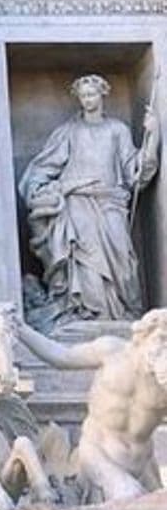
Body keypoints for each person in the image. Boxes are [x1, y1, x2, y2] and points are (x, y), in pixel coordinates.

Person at [19, 73, 158, 328]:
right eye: (83, 96)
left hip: (111, 202)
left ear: (102, 94)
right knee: (84, 259)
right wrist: (45, 189)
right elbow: (43, 169)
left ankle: (121, 312)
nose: (87, 100)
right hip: (77, 203)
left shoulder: (118, 130)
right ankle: (84, 311)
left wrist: (153, 137)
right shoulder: (68, 132)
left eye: (91, 94)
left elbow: (134, 171)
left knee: (122, 261)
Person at [18, 311, 167, 501]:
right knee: (130, 498)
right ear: (144, 336)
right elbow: (61, 357)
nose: (163, 347)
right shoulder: (112, 352)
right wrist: (21, 330)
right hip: (98, 453)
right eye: (161, 339)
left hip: (144, 463)